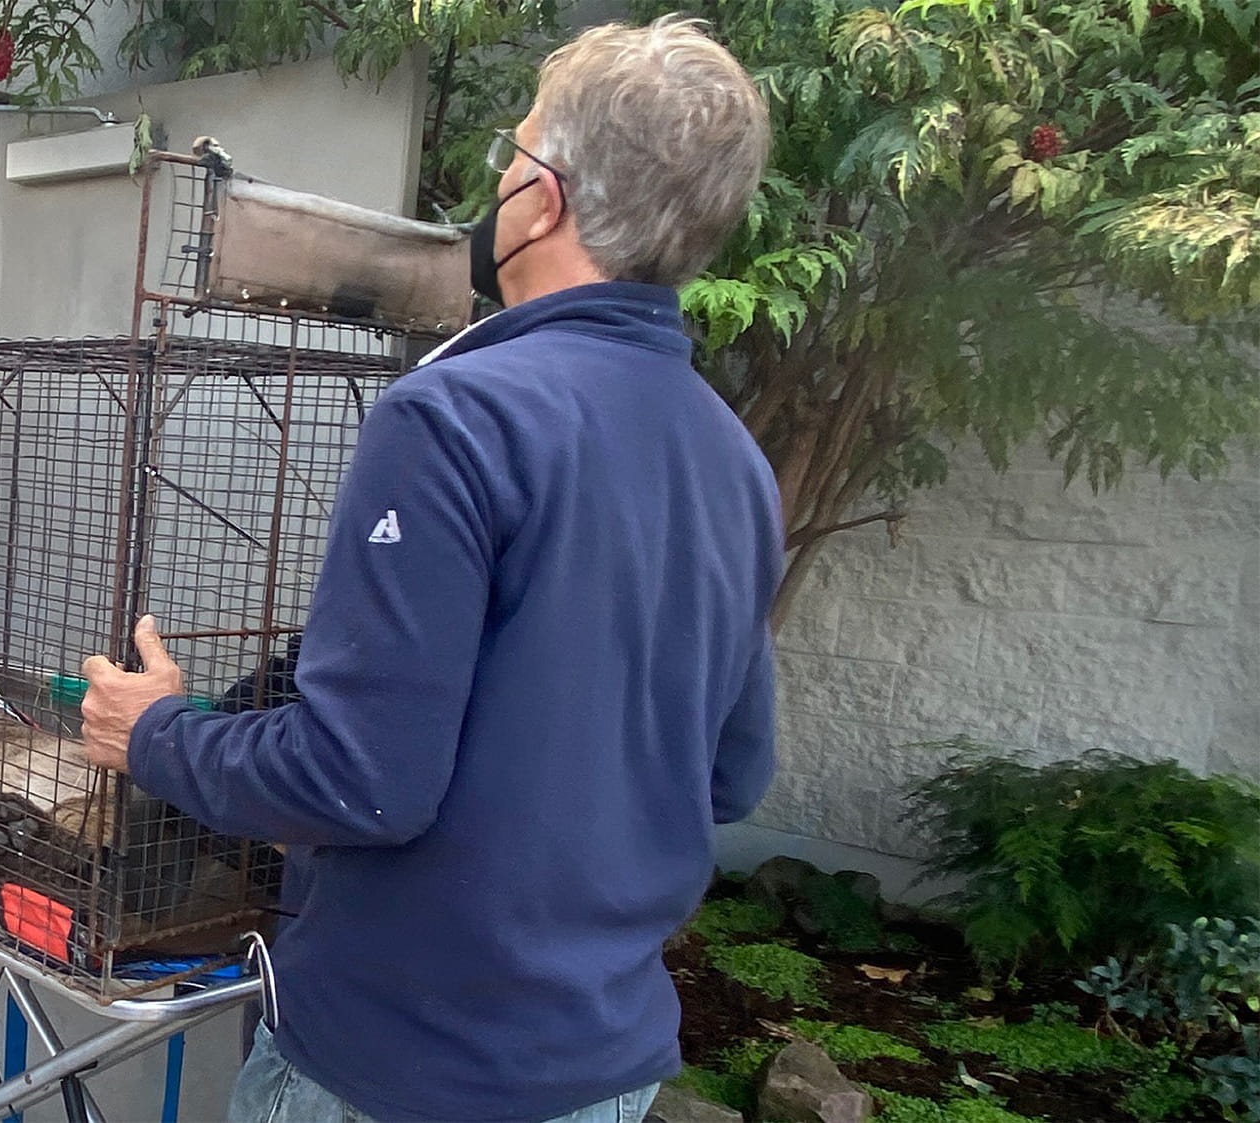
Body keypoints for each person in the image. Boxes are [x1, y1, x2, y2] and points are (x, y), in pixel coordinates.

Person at [79, 16, 780, 1123]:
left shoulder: (455, 416)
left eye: (513, 153)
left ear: (541, 198)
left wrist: (153, 731)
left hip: (400, 1071)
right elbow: (731, 773)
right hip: (603, 1069)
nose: (496, 181)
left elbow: (359, 779)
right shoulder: (732, 458)